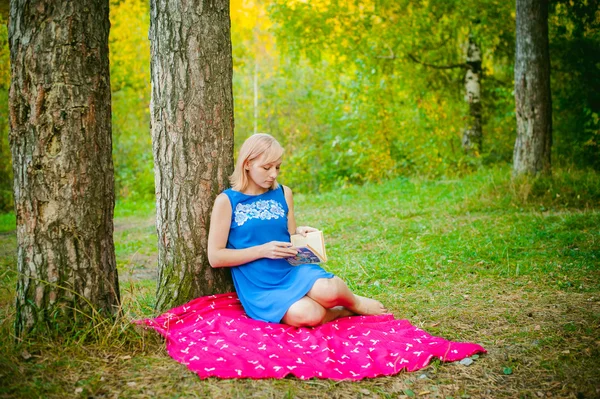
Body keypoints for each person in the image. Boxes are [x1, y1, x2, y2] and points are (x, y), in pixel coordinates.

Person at [207, 133, 387, 327]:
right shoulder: (227, 201)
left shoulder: (283, 193)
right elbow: (215, 257)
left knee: (330, 290)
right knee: (307, 315)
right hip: (259, 284)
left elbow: (290, 235)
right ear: (247, 164)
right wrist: (263, 250)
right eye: (267, 168)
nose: (274, 174)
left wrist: (300, 233)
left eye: (277, 167)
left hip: (291, 269)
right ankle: (340, 312)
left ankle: (357, 303)